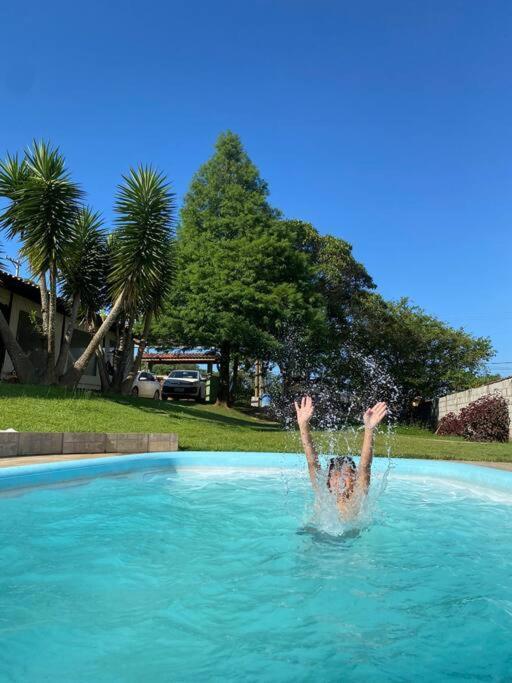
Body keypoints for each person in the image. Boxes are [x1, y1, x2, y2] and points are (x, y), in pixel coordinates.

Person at [294, 396, 388, 518]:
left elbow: (365, 467)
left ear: (355, 478)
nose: (341, 480)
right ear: (327, 481)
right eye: (335, 475)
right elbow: (312, 463)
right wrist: (303, 426)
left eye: (347, 474)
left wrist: (369, 429)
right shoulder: (322, 494)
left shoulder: (357, 498)